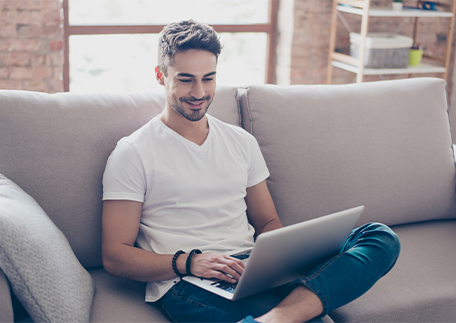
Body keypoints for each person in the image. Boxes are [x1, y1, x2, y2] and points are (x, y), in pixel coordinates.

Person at [101, 19, 401, 323]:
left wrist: (276, 260)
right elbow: (115, 255)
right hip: (186, 282)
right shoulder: (133, 152)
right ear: (160, 76)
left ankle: (279, 317)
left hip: (250, 268)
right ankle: (298, 311)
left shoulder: (241, 141)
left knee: (379, 237)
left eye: (209, 78)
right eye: (185, 79)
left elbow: (268, 220)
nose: (199, 91)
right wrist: (191, 262)